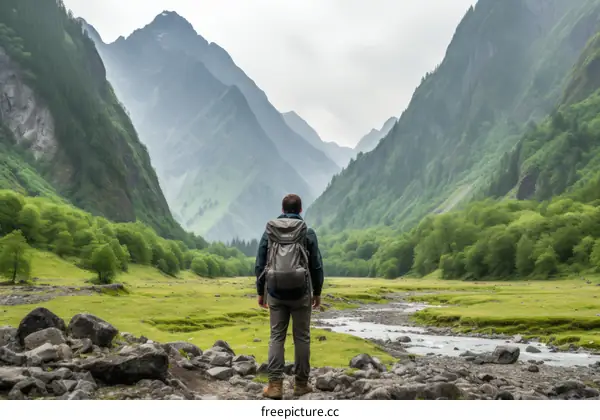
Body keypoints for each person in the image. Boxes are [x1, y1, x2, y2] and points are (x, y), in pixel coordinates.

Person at [255, 194, 324, 400]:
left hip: (275, 291)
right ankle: (301, 385)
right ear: (300, 210)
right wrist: (317, 292)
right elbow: (316, 265)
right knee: (302, 337)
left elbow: (260, 263)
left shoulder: (270, 232)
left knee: (277, 336)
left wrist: (261, 292)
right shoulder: (307, 232)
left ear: (282, 209)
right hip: (301, 292)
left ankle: (275, 386)